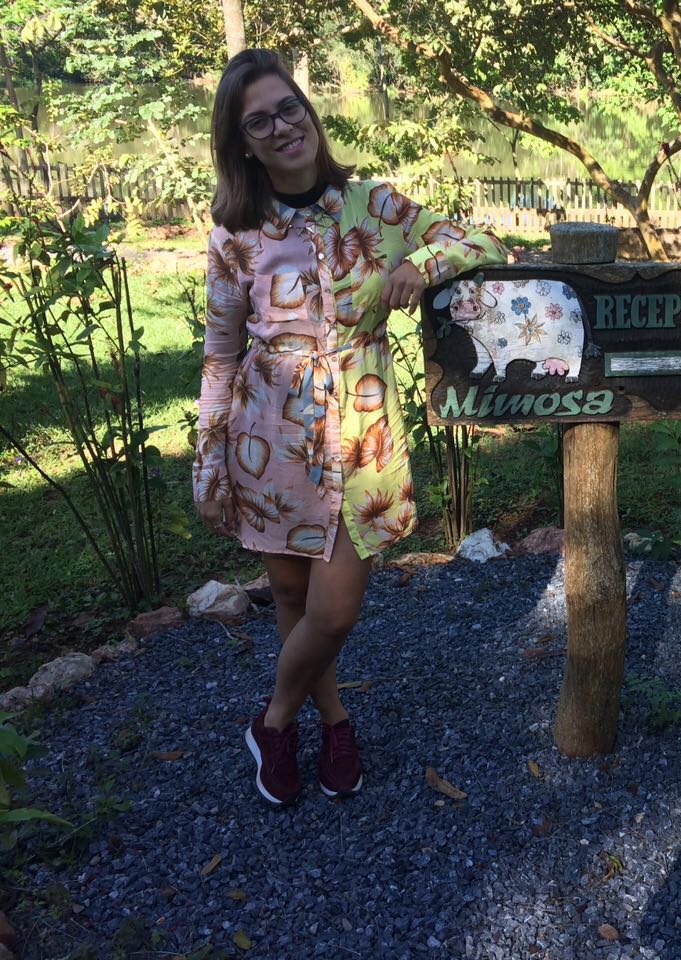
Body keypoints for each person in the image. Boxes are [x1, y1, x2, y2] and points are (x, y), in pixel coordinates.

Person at [194, 49, 509, 806]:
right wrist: (209, 453)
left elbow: (483, 244)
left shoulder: (372, 205)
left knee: (334, 610)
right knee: (295, 601)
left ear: (309, 111)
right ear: (243, 142)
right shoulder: (234, 230)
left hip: (360, 435)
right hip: (267, 438)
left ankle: (272, 723)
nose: (281, 127)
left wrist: (419, 267)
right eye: (259, 121)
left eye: (288, 108)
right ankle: (333, 721)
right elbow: (220, 353)